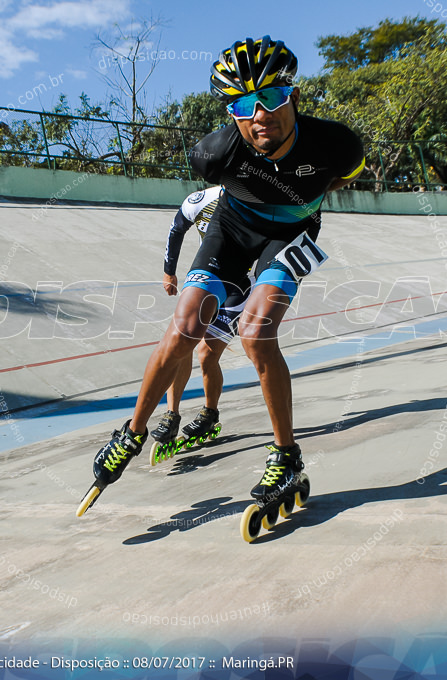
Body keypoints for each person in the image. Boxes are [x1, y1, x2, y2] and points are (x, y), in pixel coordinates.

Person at [88, 35, 365, 503]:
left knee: (257, 334)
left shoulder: (337, 145)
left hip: (289, 235)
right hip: (232, 231)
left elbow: (338, 179)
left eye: (272, 97)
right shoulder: (213, 155)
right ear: (230, 113)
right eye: (243, 104)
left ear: (293, 96)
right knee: (185, 327)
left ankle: (286, 457)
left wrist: (302, 203)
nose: (260, 115)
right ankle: (131, 434)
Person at [148, 186, 253, 464]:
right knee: (183, 343)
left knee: (207, 354)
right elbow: (176, 229)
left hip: (240, 285)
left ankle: (209, 412)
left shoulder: (254, 196)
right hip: (210, 279)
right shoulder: (200, 200)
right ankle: (171, 414)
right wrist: (169, 272)